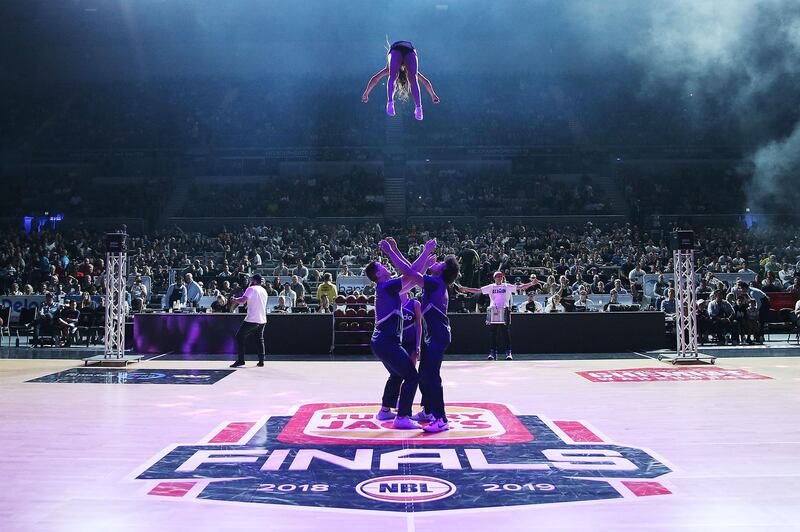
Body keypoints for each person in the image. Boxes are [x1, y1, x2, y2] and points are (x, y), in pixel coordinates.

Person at [381, 237, 459, 433]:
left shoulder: (436, 284)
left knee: (431, 377)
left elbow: (409, 273)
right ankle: (431, 412)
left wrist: (394, 252)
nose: (437, 261)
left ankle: (440, 419)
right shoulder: (436, 283)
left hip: (438, 336)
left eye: (441, 262)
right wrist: (397, 250)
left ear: (443, 270)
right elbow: (412, 272)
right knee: (426, 375)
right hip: (436, 336)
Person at [364, 239, 434, 430]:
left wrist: (424, 263)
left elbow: (412, 278)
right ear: (378, 274)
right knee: (412, 377)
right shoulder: (386, 286)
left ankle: (385, 410)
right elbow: (410, 273)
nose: (386, 266)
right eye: (382, 266)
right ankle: (402, 416)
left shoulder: (387, 288)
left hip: (381, 341)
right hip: (387, 341)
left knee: (396, 375)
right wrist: (425, 251)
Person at [457, 271, 539, 361]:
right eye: (498, 276)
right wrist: (465, 289)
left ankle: (508, 353)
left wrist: (531, 283)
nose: (500, 278)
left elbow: (520, 287)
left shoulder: (507, 286)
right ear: (494, 278)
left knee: (506, 333)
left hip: (505, 310)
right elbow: (477, 290)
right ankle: (493, 353)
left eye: (501, 276)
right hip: (494, 310)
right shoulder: (491, 287)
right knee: (493, 334)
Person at [362, 39, 440, 121]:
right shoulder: (399, 69)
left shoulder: (391, 69)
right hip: (408, 51)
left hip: (397, 50)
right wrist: (432, 94)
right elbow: (425, 82)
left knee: (395, 76)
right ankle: (418, 107)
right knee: (412, 79)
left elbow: (375, 79)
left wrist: (366, 92)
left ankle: (392, 103)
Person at [377, 290, 425, 422]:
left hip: (410, 343)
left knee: (406, 374)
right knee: (401, 374)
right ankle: (401, 411)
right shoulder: (393, 302)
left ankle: (393, 406)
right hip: (397, 343)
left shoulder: (414, 303)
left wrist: (418, 344)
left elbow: (419, 325)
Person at [229, 274, 268, 368]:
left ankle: (241, 360)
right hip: (262, 319)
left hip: (252, 318)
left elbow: (242, 300)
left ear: (254, 281)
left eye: (251, 280)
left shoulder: (251, 289)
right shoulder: (264, 290)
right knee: (259, 339)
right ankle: (261, 361)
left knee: (239, 337)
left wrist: (234, 299)